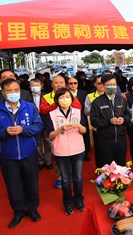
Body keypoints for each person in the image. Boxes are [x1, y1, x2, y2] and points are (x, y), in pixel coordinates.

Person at [0, 79, 43, 228]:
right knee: (13, 185)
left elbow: (38, 126)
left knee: (32, 184)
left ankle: (33, 209)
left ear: (20, 91)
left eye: (16, 90)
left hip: (29, 153)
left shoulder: (29, 107)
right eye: (9, 91)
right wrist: (4, 132)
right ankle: (18, 211)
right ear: (3, 93)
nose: (13, 93)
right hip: (8, 156)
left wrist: (24, 130)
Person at [46, 88, 87, 216]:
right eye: (62, 97)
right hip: (60, 150)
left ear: (72, 98)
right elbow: (50, 135)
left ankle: (79, 200)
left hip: (78, 149)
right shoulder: (51, 114)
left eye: (67, 97)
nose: (65, 100)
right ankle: (68, 203)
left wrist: (78, 126)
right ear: (57, 100)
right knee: (65, 180)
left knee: (78, 178)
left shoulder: (78, 112)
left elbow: (84, 130)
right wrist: (60, 129)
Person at [40, 75, 82, 188]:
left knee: (74, 154)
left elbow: (78, 107)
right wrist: (56, 103)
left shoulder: (71, 95)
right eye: (56, 83)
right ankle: (60, 177)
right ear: (52, 84)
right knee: (57, 153)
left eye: (61, 82)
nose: (59, 85)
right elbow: (43, 110)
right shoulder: (46, 96)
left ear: (65, 84)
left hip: (72, 130)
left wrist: (66, 100)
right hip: (54, 129)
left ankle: (73, 175)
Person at [90, 74, 131, 167]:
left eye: (114, 84)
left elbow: (129, 115)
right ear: (103, 86)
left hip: (121, 139)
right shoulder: (97, 102)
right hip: (105, 141)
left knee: (121, 167)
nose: (112, 87)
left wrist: (124, 120)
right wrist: (109, 121)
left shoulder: (121, 100)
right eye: (109, 85)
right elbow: (94, 121)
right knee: (106, 168)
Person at [67, 77, 91, 161]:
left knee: (85, 133)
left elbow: (85, 106)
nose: (73, 85)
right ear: (67, 84)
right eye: (71, 83)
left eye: (75, 83)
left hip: (81, 116)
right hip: (69, 116)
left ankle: (86, 153)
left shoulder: (83, 93)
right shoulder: (65, 93)